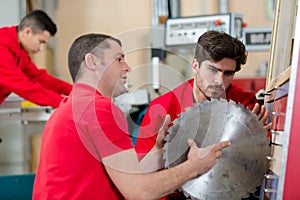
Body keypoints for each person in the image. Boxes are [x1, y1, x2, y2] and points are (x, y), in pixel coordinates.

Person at [32, 33, 231, 199]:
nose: (128, 67)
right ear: (92, 62)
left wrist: (161, 153)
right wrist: (194, 167)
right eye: (119, 59)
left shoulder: (70, 107)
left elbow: (126, 175)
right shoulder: (97, 109)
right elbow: (137, 192)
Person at [135, 30, 270, 199]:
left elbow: (259, 165)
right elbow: (140, 178)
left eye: (228, 73)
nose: (219, 81)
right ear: (195, 66)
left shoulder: (245, 107)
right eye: (212, 70)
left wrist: (255, 140)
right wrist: (158, 155)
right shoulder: (162, 109)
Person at [0, 10, 72, 108]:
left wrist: (75, 91)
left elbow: (39, 78)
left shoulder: (18, 50)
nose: (41, 48)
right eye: (40, 41)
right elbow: (24, 87)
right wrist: (65, 103)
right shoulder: (2, 47)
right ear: (27, 32)